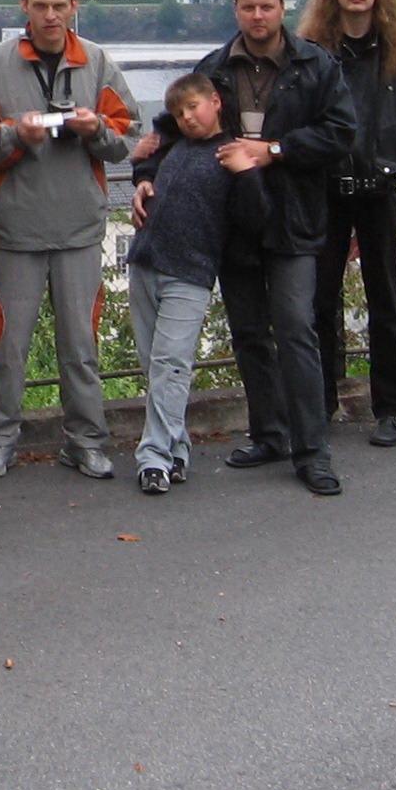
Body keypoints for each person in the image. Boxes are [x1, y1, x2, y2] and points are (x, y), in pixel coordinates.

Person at [164, 0, 358, 496]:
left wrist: (274, 150)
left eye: (266, 7)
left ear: (282, 7)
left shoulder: (315, 64)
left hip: (294, 216)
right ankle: (270, 434)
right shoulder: (213, 68)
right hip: (235, 221)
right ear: (236, 9)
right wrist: (144, 174)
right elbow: (176, 126)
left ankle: (312, 450)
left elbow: (340, 132)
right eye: (248, 8)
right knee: (249, 333)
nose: (257, 16)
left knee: (295, 329)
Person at [0, 0, 139, 480]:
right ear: (24, 6)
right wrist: (14, 136)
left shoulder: (97, 61)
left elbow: (129, 136)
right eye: (41, 6)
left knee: (81, 347)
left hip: (78, 229)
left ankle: (86, 441)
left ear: (74, 7)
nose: (50, 15)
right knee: (6, 346)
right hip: (14, 229)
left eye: (59, 6)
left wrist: (94, 129)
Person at [299, 0, 396, 447]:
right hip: (327, 192)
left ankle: (392, 408)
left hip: (379, 193)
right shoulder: (313, 54)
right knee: (320, 303)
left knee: (386, 303)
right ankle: (320, 404)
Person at [125, 74, 266, 494]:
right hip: (145, 262)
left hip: (190, 272)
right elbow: (146, 161)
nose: (187, 117)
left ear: (215, 102)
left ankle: (153, 458)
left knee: (171, 364)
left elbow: (257, 217)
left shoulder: (229, 153)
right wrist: (142, 178)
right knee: (154, 364)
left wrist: (247, 174)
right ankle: (177, 449)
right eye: (179, 112)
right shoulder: (173, 146)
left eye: (193, 107)